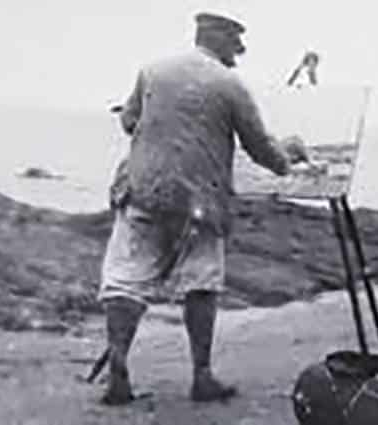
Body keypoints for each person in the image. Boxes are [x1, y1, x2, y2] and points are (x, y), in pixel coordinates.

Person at [97, 11, 310, 405]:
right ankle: (202, 376)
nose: (239, 52)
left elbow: (128, 122)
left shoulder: (153, 70)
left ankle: (118, 373)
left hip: (144, 191)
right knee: (201, 283)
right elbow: (261, 149)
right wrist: (289, 157)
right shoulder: (230, 85)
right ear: (218, 39)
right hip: (200, 204)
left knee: (125, 280)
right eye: (235, 43)